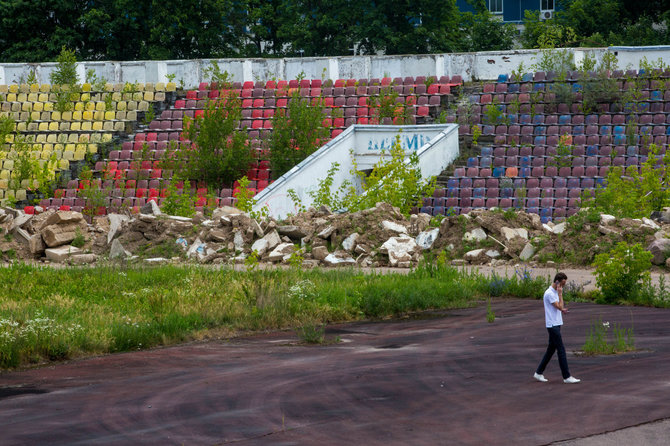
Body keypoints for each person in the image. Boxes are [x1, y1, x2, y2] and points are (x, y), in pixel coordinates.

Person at [534, 272, 581, 384]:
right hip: (552, 325)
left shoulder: (555, 291)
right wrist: (560, 295)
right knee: (561, 350)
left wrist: (561, 306)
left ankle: (538, 373)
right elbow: (559, 306)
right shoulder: (549, 293)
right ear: (557, 282)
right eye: (562, 284)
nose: (563, 286)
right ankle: (566, 376)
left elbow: (561, 307)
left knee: (551, 350)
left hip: (557, 323)